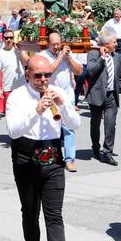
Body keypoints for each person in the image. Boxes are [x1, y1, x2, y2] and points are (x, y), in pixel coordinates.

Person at [5, 54, 80, 241]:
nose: (44, 80)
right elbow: (13, 131)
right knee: (30, 212)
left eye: (48, 75)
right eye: (38, 75)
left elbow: (75, 124)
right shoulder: (17, 97)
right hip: (26, 157)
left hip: (53, 158)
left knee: (54, 215)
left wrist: (63, 105)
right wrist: (36, 110)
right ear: (28, 75)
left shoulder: (58, 91)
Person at [85, 33, 121, 166]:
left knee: (110, 125)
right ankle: (95, 147)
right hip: (97, 95)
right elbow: (91, 71)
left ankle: (107, 153)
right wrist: (102, 57)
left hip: (112, 96)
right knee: (95, 124)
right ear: (106, 45)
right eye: (114, 42)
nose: (117, 44)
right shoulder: (93, 54)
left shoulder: (117, 57)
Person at [40, 32, 83, 172]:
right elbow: (48, 71)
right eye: (54, 45)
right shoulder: (44, 55)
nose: (57, 47)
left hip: (68, 96)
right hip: (51, 95)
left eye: (58, 44)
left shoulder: (68, 53)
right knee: (52, 128)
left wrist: (69, 58)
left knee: (69, 127)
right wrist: (59, 58)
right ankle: (52, 156)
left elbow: (79, 71)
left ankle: (70, 159)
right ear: (48, 44)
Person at [0, 29, 29, 105]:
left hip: (21, 87)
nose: (9, 40)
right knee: (10, 113)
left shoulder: (19, 51)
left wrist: (21, 50)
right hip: (8, 89)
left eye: (11, 38)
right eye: (6, 38)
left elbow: (27, 62)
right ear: (3, 39)